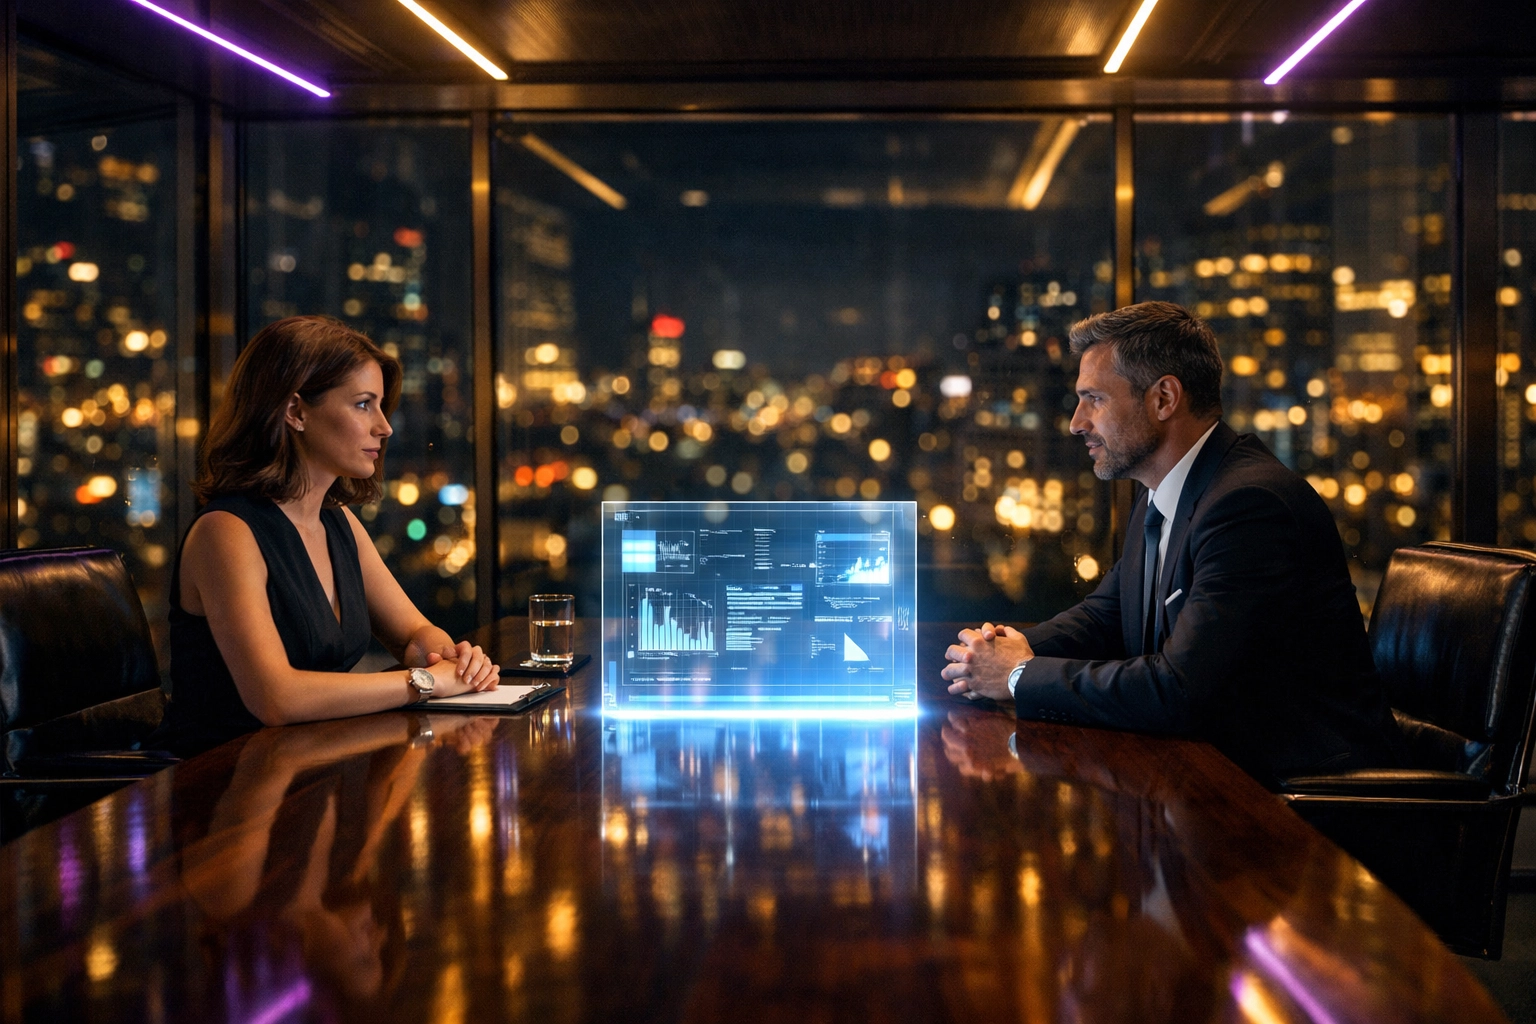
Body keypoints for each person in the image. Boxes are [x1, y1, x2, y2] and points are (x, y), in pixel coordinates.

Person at [940, 301, 1402, 786]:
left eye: (1094, 398)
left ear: (1164, 398)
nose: (1077, 422)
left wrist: (1018, 676)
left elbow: (1182, 690)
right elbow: (1109, 615)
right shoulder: (1164, 492)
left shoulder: (1249, 505)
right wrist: (998, 652)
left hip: (1304, 808)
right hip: (1212, 781)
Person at [162, 315, 498, 755]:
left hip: (310, 767)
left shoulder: (338, 521)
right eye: (363, 404)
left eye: (381, 406)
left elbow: (413, 633)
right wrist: (427, 682)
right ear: (295, 411)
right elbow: (275, 698)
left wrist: (453, 660)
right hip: (223, 782)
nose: (385, 426)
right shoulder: (225, 533)